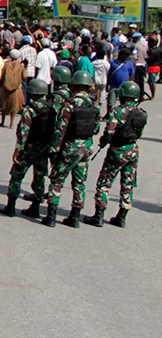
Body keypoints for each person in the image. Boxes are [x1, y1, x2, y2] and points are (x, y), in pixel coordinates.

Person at [45, 71, 100, 228]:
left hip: (70, 146)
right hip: (86, 147)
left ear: (74, 86)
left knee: (57, 180)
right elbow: (96, 128)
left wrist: (54, 150)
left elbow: (60, 129)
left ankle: (51, 216)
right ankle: (75, 217)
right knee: (79, 182)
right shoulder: (93, 105)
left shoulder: (70, 104)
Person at [88, 81, 146, 228]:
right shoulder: (141, 113)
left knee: (104, 182)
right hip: (133, 150)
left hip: (117, 150)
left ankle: (99, 216)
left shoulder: (117, 111)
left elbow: (109, 131)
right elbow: (139, 132)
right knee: (128, 184)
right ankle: (122, 217)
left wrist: (102, 142)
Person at [3, 80, 55, 218]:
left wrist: (18, 150)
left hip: (29, 148)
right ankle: (36, 207)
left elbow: (23, 132)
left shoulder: (29, 109)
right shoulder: (51, 108)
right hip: (43, 148)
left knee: (16, 175)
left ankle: (11, 206)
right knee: (39, 177)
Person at [0, 50, 25, 127]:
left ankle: (2, 122)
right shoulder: (21, 66)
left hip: (6, 88)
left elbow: (2, 76)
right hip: (16, 89)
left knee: (4, 105)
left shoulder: (6, 65)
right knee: (14, 106)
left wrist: (0, 85)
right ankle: (11, 124)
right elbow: (25, 77)